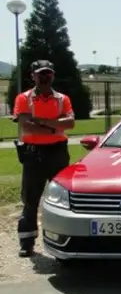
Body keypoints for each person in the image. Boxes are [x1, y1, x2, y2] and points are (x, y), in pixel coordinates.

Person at [12, 60, 75, 257]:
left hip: (58, 153)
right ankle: (27, 242)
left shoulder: (62, 99)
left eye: (48, 74)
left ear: (53, 76)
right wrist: (55, 126)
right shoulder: (24, 98)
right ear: (33, 76)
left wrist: (42, 122)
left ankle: (66, 238)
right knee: (30, 199)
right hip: (33, 153)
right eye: (41, 74)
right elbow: (26, 125)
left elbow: (71, 123)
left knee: (64, 198)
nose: (45, 78)